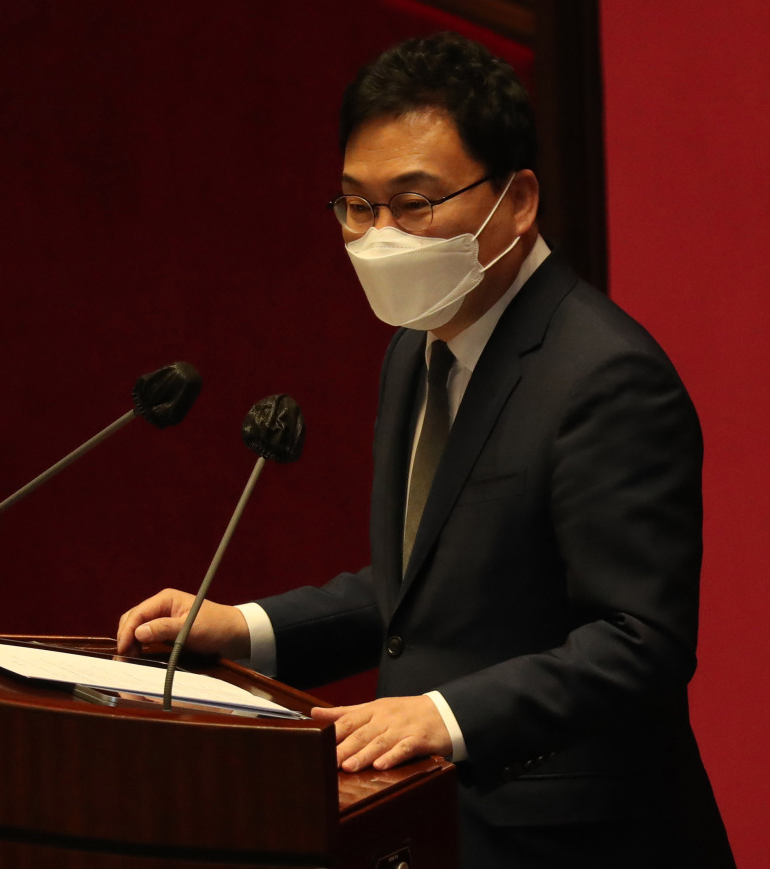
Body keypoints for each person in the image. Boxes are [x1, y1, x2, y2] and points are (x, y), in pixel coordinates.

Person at [117, 32, 734, 868]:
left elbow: (639, 640)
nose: (379, 237)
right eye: (356, 205)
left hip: (578, 841)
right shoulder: (417, 348)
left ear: (516, 201)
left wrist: (441, 714)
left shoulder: (606, 376)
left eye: (415, 204)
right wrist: (247, 627)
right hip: (433, 826)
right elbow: (432, 591)